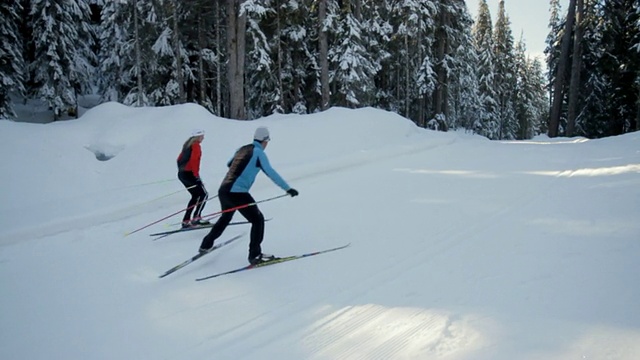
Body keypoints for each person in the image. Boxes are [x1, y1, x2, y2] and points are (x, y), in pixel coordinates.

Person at [198, 126, 299, 264]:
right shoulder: (258, 153)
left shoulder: (243, 149)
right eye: (267, 141)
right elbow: (270, 172)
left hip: (224, 190)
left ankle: (206, 244)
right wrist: (288, 188)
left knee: (226, 217)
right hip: (237, 193)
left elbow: (229, 164)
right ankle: (255, 255)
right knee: (258, 220)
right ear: (264, 140)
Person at [177, 129, 209, 228]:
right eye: (202, 136)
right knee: (204, 195)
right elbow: (194, 161)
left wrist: (182, 171)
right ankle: (196, 218)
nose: (203, 137)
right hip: (190, 174)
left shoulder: (187, 145)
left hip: (182, 174)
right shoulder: (196, 146)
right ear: (198, 137)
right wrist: (196, 175)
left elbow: (178, 159)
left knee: (195, 196)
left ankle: (186, 220)